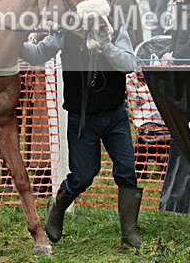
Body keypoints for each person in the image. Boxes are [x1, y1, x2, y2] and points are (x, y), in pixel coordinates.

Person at [20, 16, 143, 248]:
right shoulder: (65, 31)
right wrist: (13, 39)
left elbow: (128, 63)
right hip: (82, 117)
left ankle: (129, 232)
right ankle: (57, 206)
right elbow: (37, 54)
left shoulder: (115, 28)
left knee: (126, 169)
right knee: (83, 175)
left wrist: (105, 44)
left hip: (115, 114)